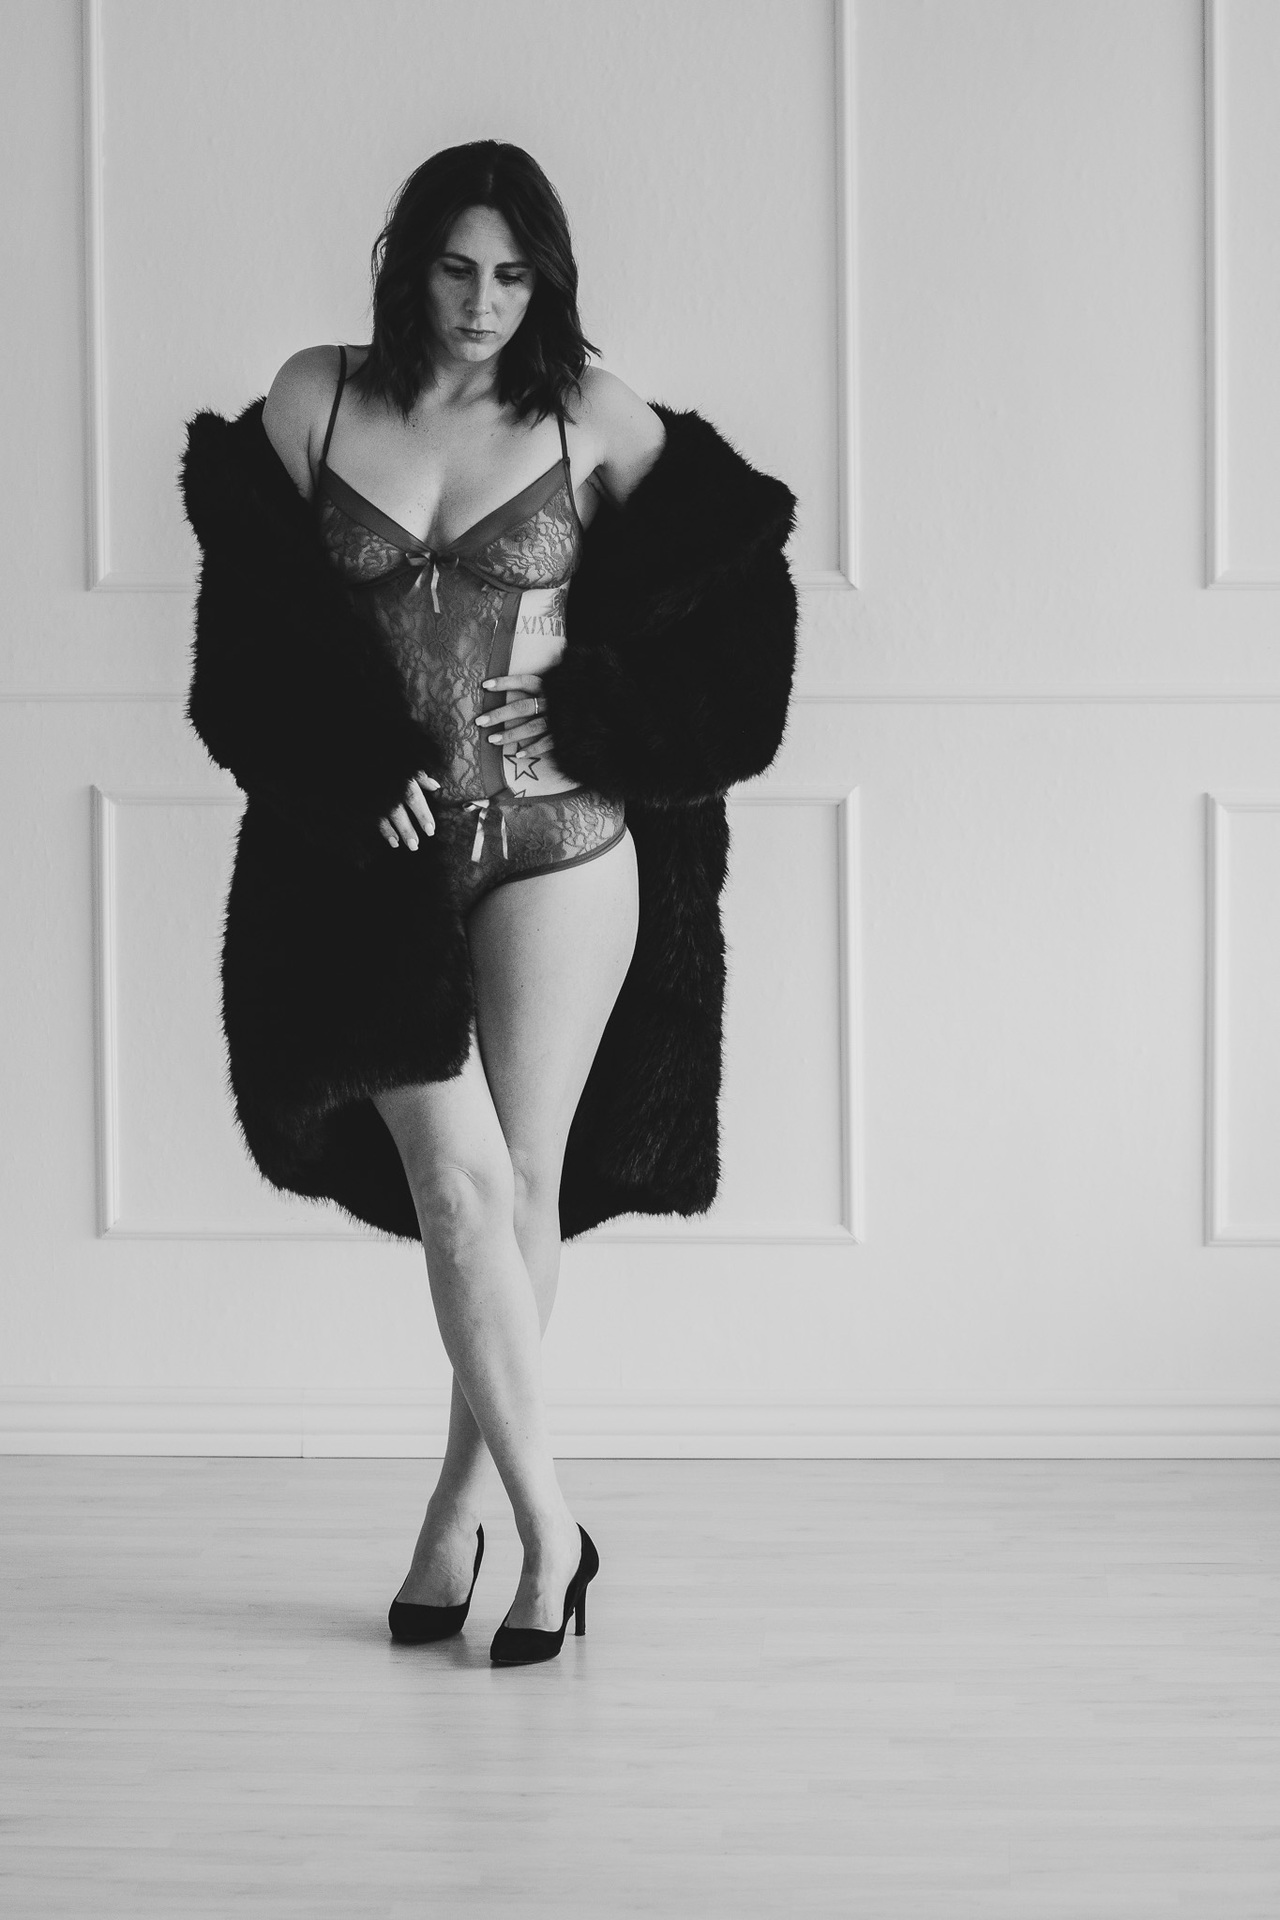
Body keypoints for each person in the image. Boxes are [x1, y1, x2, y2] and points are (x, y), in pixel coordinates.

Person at [180, 141, 798, 1668]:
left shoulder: (589, 412)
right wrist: (337, 764)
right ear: (409, 267)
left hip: (560, 847)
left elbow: (744, 593)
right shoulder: (316, 399)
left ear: (547, 283)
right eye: (457, 269)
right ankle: (553, 1527)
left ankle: (457, 1513)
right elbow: (247, 648)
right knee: (454, 1191)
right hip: (373, 867)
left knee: (520, 1185)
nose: (481, 304)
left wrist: (604, 717)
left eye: (513, 276)